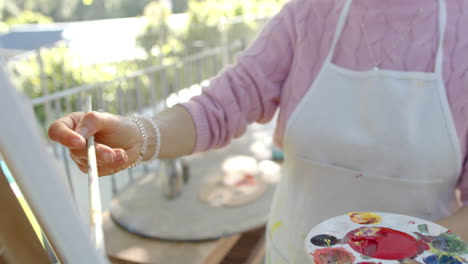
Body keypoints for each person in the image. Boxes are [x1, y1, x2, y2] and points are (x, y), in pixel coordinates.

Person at [48, 0, 468, 262]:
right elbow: (222, 104)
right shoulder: (308, 14)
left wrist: (414, 255)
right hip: (292, 253)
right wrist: (139, 135)